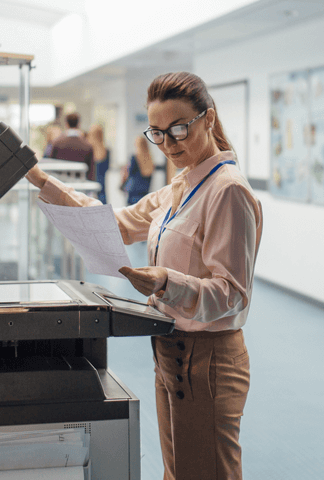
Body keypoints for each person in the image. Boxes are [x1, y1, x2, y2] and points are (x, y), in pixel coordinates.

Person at [24, 72, 261, 480]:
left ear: (208, 119)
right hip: (171, 352)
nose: (169, 144)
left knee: (204, 473)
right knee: (179, 471)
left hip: (208, 360)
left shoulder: (227, 191)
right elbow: (113, 223)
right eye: (158, 133)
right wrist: (41, 180)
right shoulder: (180, 187)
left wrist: (166, 282)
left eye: (179, 128)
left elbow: (233, 294)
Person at [49, 112, 95, 180]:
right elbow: (91, 171)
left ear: (66, 124)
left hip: (61, 185)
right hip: (81, 186)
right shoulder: (87, 146)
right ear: (79, 124)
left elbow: (52, 166)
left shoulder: (57, 143)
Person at [122, 136, 156, 205]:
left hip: (132, 190)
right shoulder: (150, 160)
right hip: (144, 191)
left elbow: (129, 173)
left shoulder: (134, 158)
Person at [89, 124, 110, 204]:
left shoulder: (89, 150)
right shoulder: (107, 151)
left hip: (90, 186)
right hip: (102, 186)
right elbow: (107, 168)